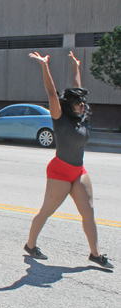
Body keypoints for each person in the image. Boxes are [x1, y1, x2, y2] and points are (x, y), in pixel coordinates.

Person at [24, 51, 113, 269]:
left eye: (83, 102)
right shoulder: (59, 117)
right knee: (47, 211)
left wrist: (76, 67)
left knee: (88, 211)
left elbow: (76, 88)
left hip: (78, 170)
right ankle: (30, 245)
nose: (82, 105)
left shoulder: (80, 116)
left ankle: (95, 253)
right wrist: (45, 66)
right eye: (78, 103)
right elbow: (52, 94)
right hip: (59, 171)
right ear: (69, 104)